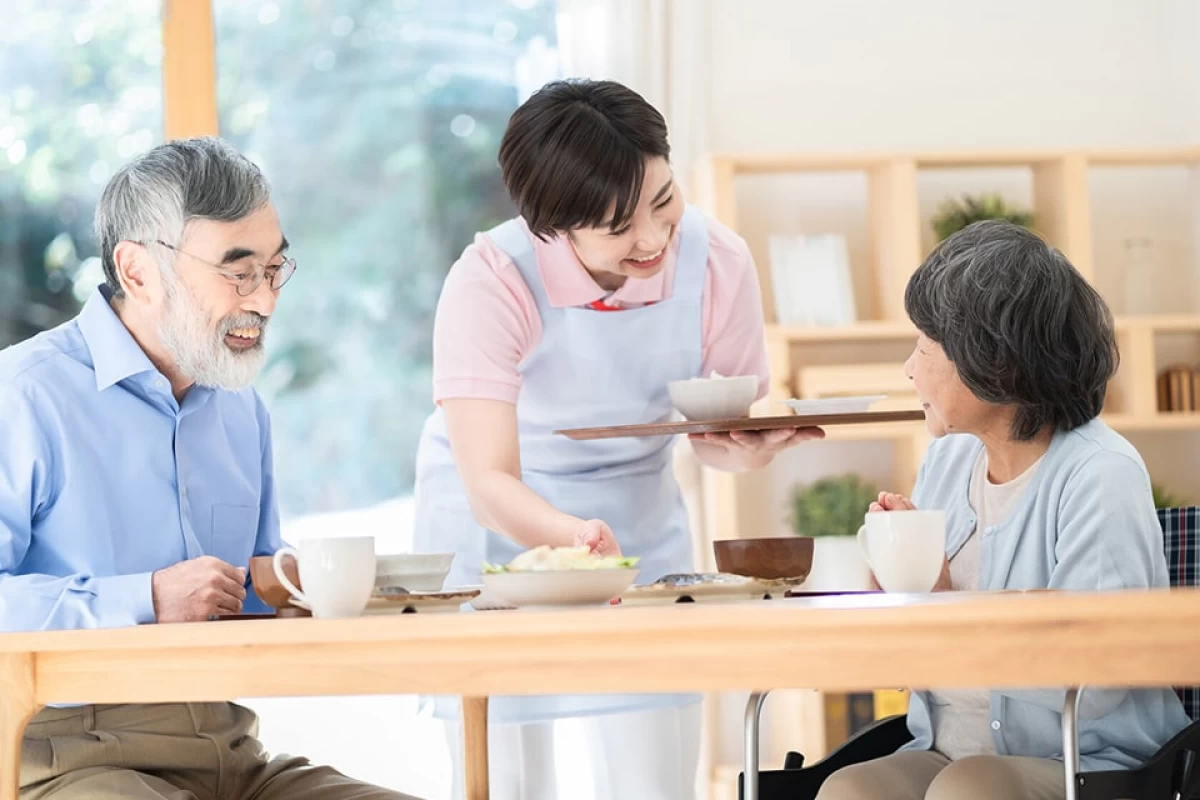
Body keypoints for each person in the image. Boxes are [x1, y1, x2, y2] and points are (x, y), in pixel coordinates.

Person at [412, 78, 823, 799]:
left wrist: (749, 448)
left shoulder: (718, 261)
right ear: (552, 227)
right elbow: (489, 480)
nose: (654, 238)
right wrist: (574, 539)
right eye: (619, 225)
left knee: (657, 773)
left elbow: (712, 437)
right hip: (506, 527)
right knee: (504, 781)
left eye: (663, 200)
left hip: (636, 513)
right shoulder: (492, 281)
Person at [0, 137, 421, 800]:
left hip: (231, 755)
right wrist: (146, 599)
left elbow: (253, 591)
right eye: (238, 271)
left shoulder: (240, 407)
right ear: (137, 271)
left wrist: (316, 588)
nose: (266, 301)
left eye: (276, 270)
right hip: (70, 760)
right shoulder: (23, 397)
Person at [815, 220, 1192, 800]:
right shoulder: (946, 461)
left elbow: (1101, 676)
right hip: (947, 753)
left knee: (975, 787)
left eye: (924, 347)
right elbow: (917, 664)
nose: (909, 369)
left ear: (994, 363)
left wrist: (946, 613)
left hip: (1091, 760)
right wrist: (900, 601)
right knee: (851, 789)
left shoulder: (1099, 473)